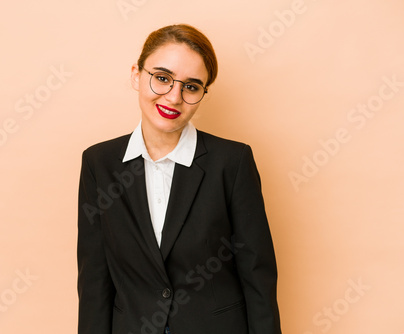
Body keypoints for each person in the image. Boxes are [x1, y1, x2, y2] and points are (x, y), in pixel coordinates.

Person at [77, 24, 281, 334]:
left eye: (191, 86)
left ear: (202, 92)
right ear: (136, 74)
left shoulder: (232, 162)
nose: (174, 97)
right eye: (162, 78)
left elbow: (257, 275)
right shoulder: (98, 163)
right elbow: (94, 280)